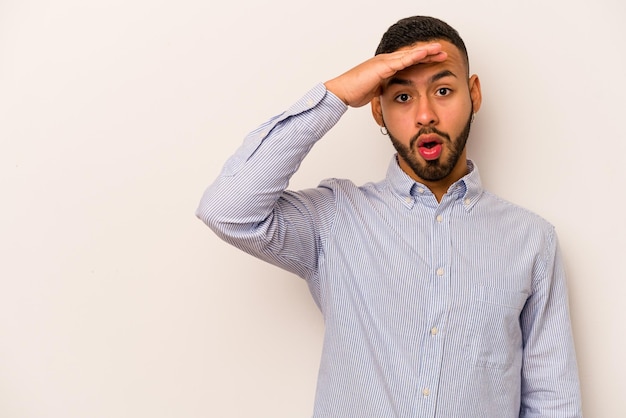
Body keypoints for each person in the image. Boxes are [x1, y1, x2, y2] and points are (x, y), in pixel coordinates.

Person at [196, 15, 582, 417]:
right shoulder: (335, 219)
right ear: (377, 111)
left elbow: (553, 402)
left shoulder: (531, 240)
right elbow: (226, 209)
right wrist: (338, 94)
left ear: (474, 94)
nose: (425, 115)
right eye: (402, 97)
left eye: (444, 90)